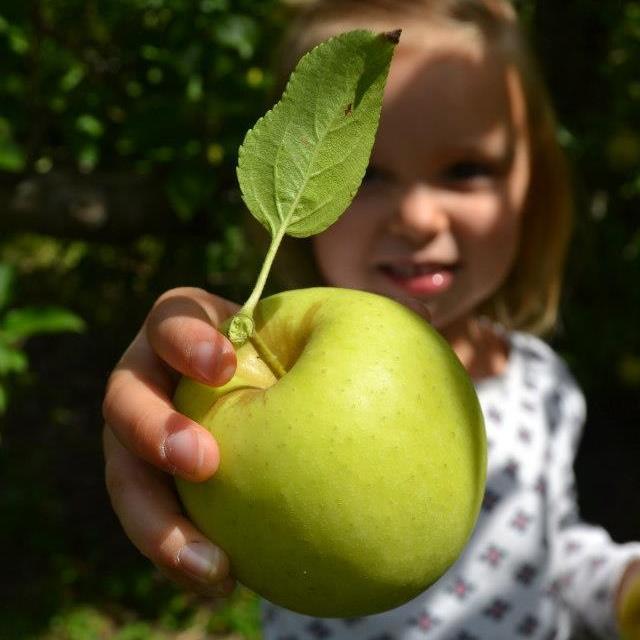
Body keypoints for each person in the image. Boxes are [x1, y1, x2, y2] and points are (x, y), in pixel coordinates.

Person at [102, 1, 640, 638]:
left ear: (534, 182)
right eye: (363, 176)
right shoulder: (217, 383)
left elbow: (553, 550)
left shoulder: (545, 384)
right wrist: (172, 400)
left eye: (465, 170)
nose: (417, 218)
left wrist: (625, 591)